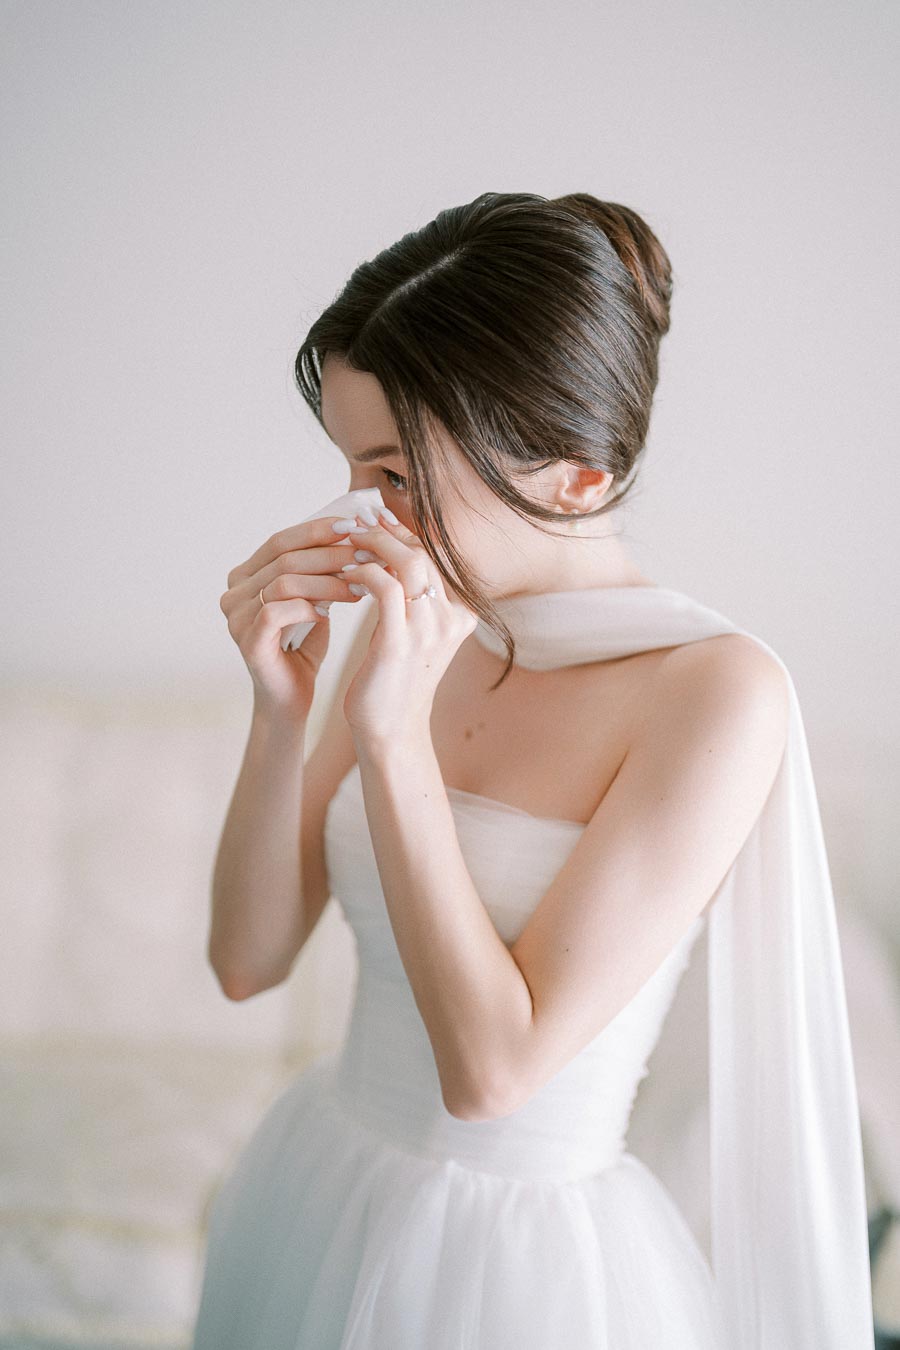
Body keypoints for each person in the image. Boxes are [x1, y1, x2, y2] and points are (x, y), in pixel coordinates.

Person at [195, 192, 875, 1348]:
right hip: (325, 1179)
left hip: (515, 1268)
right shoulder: (422, 619)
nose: (361, 516)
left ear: (576, 476)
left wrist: (393, 741)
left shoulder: (714, 693)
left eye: (395, 474)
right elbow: (245, 962)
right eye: (352, 469)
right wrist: (280, 710)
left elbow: (494, 1075)